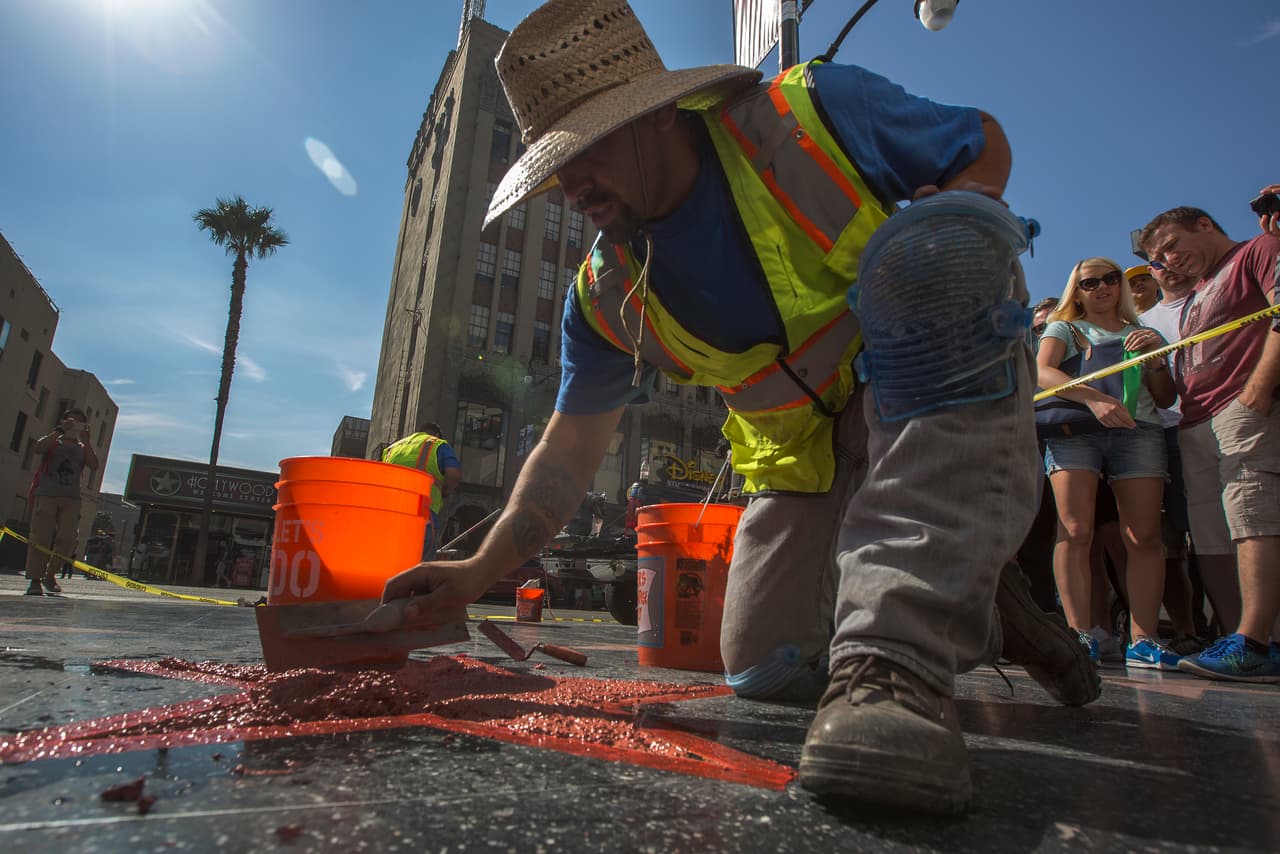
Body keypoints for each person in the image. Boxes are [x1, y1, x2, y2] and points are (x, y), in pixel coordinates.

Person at [384, 0, 1097, 814]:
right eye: (556, 166)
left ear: (655, 115)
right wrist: (476, 572)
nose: (570, 184)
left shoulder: (810, 115)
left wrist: (964, 215)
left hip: (915, 399)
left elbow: (980, 141)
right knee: (763, 666)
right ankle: (988, 608)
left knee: (947, 244)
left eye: (587, 149)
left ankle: (897, 669)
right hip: (805, 461)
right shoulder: (605, 295)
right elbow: (566, 454)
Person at [1140, 204, 1280, 682]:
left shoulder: (1257, 250)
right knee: (1211, 533)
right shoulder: (1198, 293)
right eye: (1160, 258)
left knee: (1253, 512)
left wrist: (1261, 384)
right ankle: (1233, 634)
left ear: (1204, 225)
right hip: (1195, 419)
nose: (1169, 261)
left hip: (1244, 409)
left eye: (1172, 246)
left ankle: (1258, 641)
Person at [1035, 258, 1178, 668]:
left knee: (1144, 536)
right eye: (1089, 282)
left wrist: (1155, 359)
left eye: (1110, 279)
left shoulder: (1142, 332)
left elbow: (1165, 397)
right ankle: (1081, 635)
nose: (1101, 288)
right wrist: (1095, 400)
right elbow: (1042, 371)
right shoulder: (1064, 327)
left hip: (1140, 428)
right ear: (1075, 291)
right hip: (1075, 429)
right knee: (1075, 530)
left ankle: (1144, 640)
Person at [1140, 261, 1213, 652]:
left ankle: (1238, 629)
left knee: (1217, 529)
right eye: (1157, 262)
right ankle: (1187, 630)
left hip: (1216, 417)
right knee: (1169, 540)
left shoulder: (1216, 298)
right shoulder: (1140, 321)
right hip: (1160, 432)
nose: (1167, 267)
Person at [24, 408, 99, 596]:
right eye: (71, 421)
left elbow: (94, 465)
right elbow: (38, 447)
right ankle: (34, 580)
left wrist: (87, 441)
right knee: (40, 537)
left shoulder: (82, 448)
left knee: (67, 539)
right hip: (47, 494)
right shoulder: (54, 441)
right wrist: (60, 430)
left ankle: (51, 574)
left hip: (71, 497)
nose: (74, 425)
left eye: (80, 422)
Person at [381, 419, 462, 560]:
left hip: (391, 516)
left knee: (392, 565)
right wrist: (446, 490)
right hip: (423, 515)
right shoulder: (437, 444)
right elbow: (454, 475)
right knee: (418, 569)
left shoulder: (392, 449)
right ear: (436, 434)